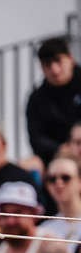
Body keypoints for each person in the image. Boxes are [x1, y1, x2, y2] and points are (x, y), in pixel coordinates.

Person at [27, 36, 81, 167]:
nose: (54, 69)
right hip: (58, 159)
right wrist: (59, 148)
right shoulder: (37, 99)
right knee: (29, 165)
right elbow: (36, 138)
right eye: (47, 64)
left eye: (58, 60)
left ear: (70, 58)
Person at [40, 153, 81, 242]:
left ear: (79, 181)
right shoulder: (44, 231)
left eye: (65, 178)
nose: (59, 184)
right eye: (52, 179)